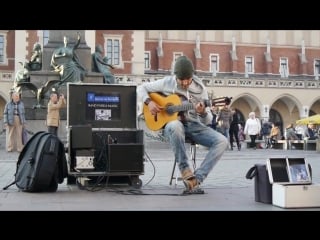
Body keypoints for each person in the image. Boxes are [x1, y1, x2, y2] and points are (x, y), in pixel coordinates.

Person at [137, 55, 228, 192]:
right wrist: (149, 102)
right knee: (175, 125)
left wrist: (202, 112)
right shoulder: (167, 83)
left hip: (194, 125)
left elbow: (207, 120)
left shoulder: (200, 89)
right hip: (172, 126)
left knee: (222, 141)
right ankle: (185, 170)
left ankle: (196, 179)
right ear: (175, 77)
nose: (185, 83)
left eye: (188, 80)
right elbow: (141, 88)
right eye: (181, 80)